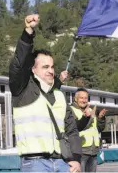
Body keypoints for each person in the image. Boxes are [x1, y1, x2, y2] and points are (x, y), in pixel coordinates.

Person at [9, 14, 81, 172]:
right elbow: (19, 65)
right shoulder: (23, 90)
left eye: (52, 67)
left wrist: (75, 158)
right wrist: (28, 32)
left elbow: (72, 130)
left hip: (62, 162)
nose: (50, 71)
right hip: (35, 163)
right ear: (33, 70)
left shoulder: (60, 96)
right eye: (45, 67)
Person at [70, 88, 107, 172]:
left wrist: (101, 118)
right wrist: (87, 117)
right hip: (80, 151)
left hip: (93, 151)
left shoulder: (90, 110)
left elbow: (98, 129)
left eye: (86, 98)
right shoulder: (71, 110)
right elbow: (76, 127)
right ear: (75, 99)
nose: (84, 100)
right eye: (81, 98)